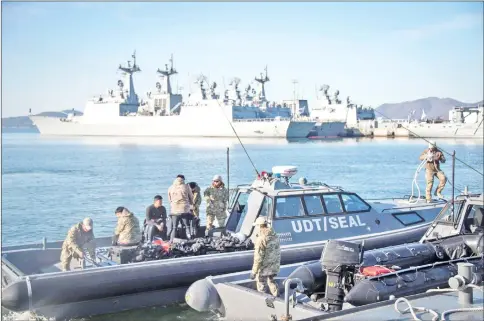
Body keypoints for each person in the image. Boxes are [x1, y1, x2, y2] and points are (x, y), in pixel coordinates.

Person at [249, 216, 281, 297]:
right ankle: (278, 297)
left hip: (264, 267)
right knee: (271, 281)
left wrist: (254, 272)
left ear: (260, 226)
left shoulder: (261, 239)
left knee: (261, 283)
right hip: (274, 266)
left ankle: (263, 300)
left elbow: (258, 258)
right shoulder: (274, 235)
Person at [167, 174, 194, 240]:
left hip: (174, 211)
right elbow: (191, 197)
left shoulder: (170, 187)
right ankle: (189, 239)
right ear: (183, 179)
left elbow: (169, 199)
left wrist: (173, 205)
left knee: (174, 227)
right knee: (187, 226)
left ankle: (171, 241)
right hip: (184, 209)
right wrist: (190, 204)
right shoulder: (186, 187)